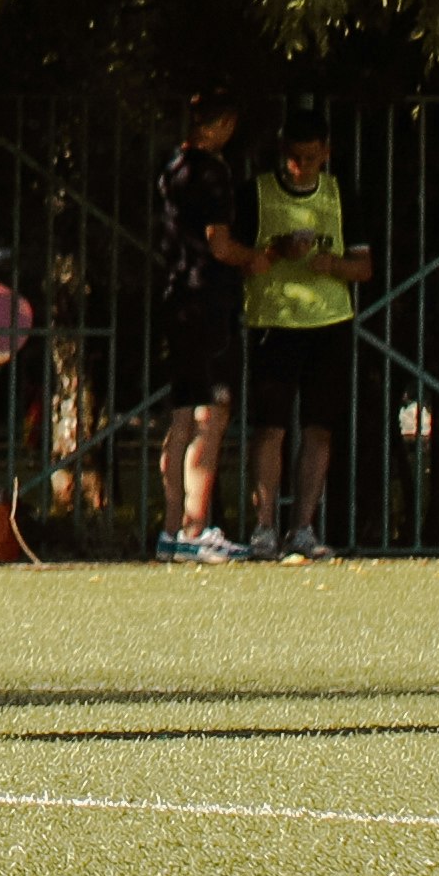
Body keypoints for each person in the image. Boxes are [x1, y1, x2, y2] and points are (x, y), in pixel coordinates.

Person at [238, 109, 380, 558]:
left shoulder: (341, 195)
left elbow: (365, 267)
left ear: (326, 153)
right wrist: (277, 250)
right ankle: (264, 528)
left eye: (311, 157)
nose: (302, 166)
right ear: (283, 155)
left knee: (319, 428)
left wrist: (332, 265)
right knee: (270, 428)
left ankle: (303, 527)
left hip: (329, 324)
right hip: (273, 322)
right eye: (294, 158)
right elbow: (237, 256)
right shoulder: (257, 193)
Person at [146, 87, 264, 565]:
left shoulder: (170, 166)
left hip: (176, 297)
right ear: (221, 124)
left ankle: (173, 530)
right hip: (208, 300)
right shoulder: (213, 171)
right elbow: (219, 243)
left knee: (181, 413)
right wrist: (255, 258)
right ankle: (195, 530)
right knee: (212, 412)